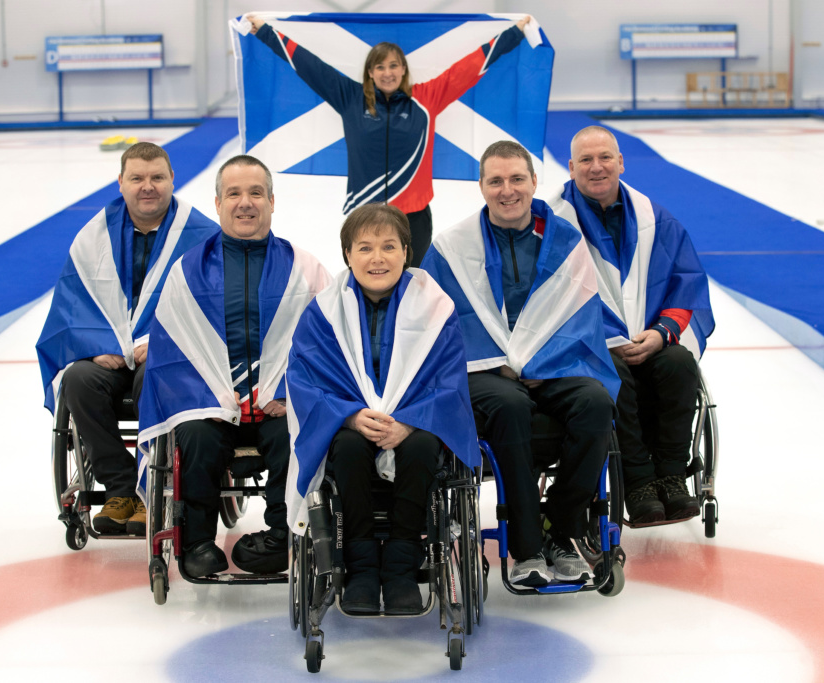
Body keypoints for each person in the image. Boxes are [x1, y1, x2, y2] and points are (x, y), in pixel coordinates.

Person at [421, 141, 619, 587]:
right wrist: (497, 360)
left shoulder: (567, 242)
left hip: (556, 363)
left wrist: (540, 360)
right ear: (482, 187)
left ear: (534, 182)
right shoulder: (453, 248)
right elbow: (432, 322)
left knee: (595, 403)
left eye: (516, 179)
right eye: (496, 181)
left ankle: (562, 528)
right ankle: (527, 548)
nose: (507, 190)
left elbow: (581, 314)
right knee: (509, 407)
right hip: (485, 374)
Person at [137, 155, 330, 577]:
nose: (245, 203)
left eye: (256, 193)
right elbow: (173, 355)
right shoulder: (186, 272)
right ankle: (198, 541)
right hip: (210, 404)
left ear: (272, 202)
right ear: (219, 204)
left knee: (298, 430)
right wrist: (208, 397)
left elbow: (329, 346)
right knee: (195, 434)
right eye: (234, 194)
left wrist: (290, 390)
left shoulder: (305, 269)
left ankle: (284, 536)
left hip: (280, 403)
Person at [285, 204, 477, 614]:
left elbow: (449, 380)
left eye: (389, 246)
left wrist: (409, 422)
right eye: (365, 248)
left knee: (424, 447)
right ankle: (362, 568)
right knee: (350, 448)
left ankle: (401, 567)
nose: (377, 258)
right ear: (347, 255)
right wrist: (352, 415)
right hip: (352, 426)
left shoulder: (435, 307)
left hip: (415, 427)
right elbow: (305, 381)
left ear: (406, 252)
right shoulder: (323, 311)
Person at [246, 13, 532, 266]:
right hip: (365, 214)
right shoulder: (350, 98)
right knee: (365, 283)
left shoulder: (426, 98)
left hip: (414, 217)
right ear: (370, 72)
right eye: (380, 67)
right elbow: (309, 65)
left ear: (403, 70)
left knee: (413, 286)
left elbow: (470, 66)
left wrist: (515, 32)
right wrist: (266, 32)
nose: (387, 73)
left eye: (394, 66)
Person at [37, 142, 219, 535]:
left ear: (173, 180)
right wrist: (97, 342)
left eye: (156, 177)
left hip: (168, 353)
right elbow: (74, 299)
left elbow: (213, 306)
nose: (147, 186)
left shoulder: (202, 235)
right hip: (106, 352)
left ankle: (149, 479)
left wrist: (164, 341)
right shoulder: (95, 235)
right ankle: (123, 489)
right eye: (137, 178)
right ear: (121, 183)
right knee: (78, 381)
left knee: (153, 375)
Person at [554, 125, 714, 524]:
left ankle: (673, 477)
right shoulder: (551, 224)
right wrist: (601, 339)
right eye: (586, 160)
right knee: (613, 371)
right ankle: (640, 482)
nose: (597, 167)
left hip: (652, 339)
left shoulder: (655, 219)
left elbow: (687, 285)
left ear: (621, 163)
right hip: (588, 346)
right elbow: (542, 299)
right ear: (571, 168)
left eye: (605, 157)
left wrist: (662, 334)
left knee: (678, 365)